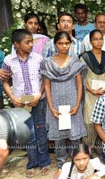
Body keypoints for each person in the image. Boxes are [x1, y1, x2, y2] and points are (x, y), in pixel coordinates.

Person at [2, 29, 51, 178]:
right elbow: (4, 81)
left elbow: (46, 78)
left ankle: (44, 162)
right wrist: (12, 97)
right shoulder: (8, 61)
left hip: (38, 100)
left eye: (32, 42)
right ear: (16, 44)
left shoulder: (38, 58)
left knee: (41, 131)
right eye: (27, 42)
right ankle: (32, 163)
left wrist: (39, 94)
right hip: (21, 103)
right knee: (28, 133)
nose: (31, 45)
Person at [41, 31, 87, 179]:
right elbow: (46, 85)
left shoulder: (75, 62)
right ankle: (61, 165)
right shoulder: (48, 63)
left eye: (66, 43)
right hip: (55, 103)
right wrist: (51, 107)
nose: (64, 46)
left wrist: (77, 104)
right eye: (60, 43)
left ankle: (76, 162)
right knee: (58, 137)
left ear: (70, 44)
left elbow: (80, 84)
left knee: (74, 136)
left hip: (72, 102)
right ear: (55, 44)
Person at [80, 29, 105, 148]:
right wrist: (91, 90)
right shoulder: (85, 57)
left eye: (100, 39)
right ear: (90, 41)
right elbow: (81, 78)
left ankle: (101, 150)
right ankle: (87, 150)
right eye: (95, 39)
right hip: (89, 94)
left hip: (104, 94)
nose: (99, 42)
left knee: (103, 121)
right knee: (89, 122)